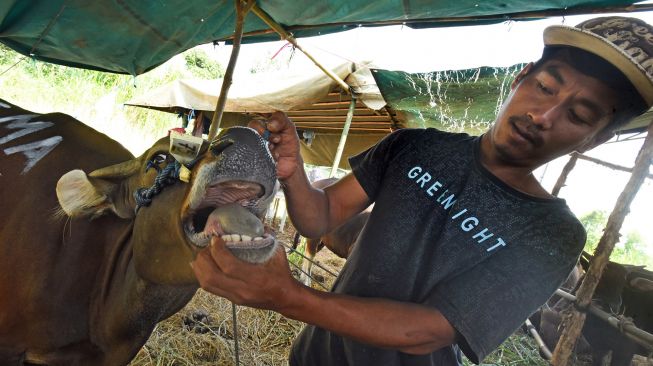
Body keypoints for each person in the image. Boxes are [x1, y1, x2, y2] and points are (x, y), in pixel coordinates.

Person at [191, 16, 653, 365]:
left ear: (596, 138)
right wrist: (293, 175)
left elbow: (431, 330)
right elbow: (322, 217)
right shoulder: (417, 146)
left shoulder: (553, 234)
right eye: (546, 87)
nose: (544, 116)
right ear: (522, 77)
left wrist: (287, 296)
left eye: (579, 116)